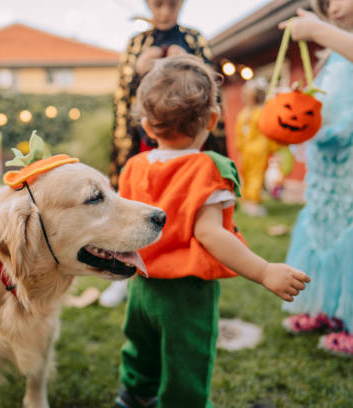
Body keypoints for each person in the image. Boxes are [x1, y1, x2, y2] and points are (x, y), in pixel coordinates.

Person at [112, 55, 310, 408]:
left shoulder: (133, 168)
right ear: (214, 119)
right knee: (187, 358)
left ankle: (134, 395)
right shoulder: (207, 169)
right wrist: (264, 271)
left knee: (140, 345)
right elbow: (211, 234)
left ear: (146, 124)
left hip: (142, 287)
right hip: (186, 294)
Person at [102, 0, 227, 307]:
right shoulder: (137, 44)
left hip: (185, 138)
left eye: (172, 4)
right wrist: (139, 70)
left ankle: (186, 263)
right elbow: (122, 92)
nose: (165, 11)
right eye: (158, 4)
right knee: (138, 199)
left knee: (184, 201)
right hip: (146, 137)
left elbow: (211, 84)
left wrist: (187, 63)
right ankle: (128, 267)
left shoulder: (193, 39)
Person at [279, 1, 353, 357]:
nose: (334, 6)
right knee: (325, 231)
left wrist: (319, 30)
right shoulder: (334, 52)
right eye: (328, 1)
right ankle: (327, 310)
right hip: (329, 162)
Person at [234, 78, 280, 216]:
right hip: (259, 150)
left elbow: (239, 135)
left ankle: (246, 200)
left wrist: (240, 148)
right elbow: (268, 131)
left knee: (247, 175)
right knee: (256, 176)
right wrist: (273, 148)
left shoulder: (243, 113)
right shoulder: (262, 113)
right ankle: (253, 203)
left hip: (247, 150)